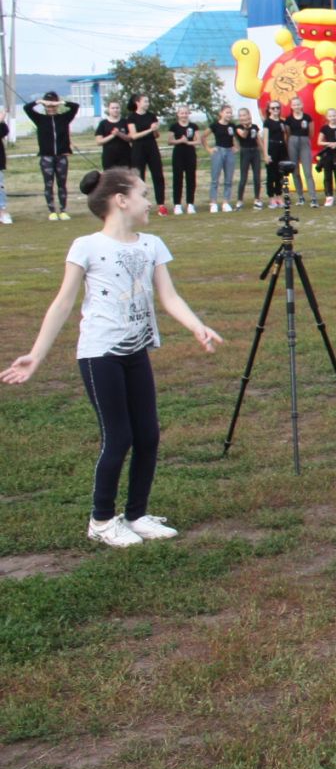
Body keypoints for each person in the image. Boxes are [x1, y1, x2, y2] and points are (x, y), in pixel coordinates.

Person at [2, 168, 222, 547]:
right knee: (118, 437)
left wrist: (196, 326)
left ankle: (136, 515)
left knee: (148, 435)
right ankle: (102, 521)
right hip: (99, 355)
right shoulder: (86, 246)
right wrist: (35, 356)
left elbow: (169, 297)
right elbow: (63, 303)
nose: (149, 201)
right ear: (121, 200)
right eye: (143, 194)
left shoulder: (151, 244)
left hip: (136, 351)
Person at [24, 92, 80, 220]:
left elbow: (75, 106)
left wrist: (60, 103)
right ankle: (52, 211)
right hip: (46, 156)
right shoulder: (39, 119)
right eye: (49, 105)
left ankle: (63, 210)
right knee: (48, 184)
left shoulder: (64, 118)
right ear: (45, 106)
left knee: (62, 184)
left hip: (61, 156)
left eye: (53, 105)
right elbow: (27, 108)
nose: (51, 108)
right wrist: (39, 102)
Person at [124, 94, 167, 213]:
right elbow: (133, 136)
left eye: (148, 101)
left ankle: (161, 205)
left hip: (152, 146)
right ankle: (140, 205)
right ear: (137, 102)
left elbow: (156, 135)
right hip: (138, 148)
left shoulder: (152, 116)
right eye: (145, 101)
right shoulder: (131, 118)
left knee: (158, 175)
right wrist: (149, 130)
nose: (147, 104)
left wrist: (155, 129)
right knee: (139, 178)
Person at [166, 105, 201, 214]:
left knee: (191, 178)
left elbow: (198, 141)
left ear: (188, 114)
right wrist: (180, 141)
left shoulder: (193, 126)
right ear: (178, 114)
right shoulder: (174, 126)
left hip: (190, 153)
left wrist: (188, 142)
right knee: (178, 179)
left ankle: (190, 204)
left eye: (186, 113)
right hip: (178, 154)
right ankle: (177, 204)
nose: (184, 115)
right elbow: (170, 141)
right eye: (182, 113)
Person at [284, 98, 316, 208]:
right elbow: (287, 133)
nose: (296, 106)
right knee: (295, 171)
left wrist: (305, 140)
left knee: (308, 172)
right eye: (294, 105)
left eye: (298, 104)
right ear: (291, 106)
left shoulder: (307, 118)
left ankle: (313, 198)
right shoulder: (288, 119)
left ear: (301, 105)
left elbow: (311, 133)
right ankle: (301, 197)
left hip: (304, 142)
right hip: (292, 142)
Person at [206, 104, 238, 211]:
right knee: (215, 179)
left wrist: (235, 147)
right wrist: (209, 149)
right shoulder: (215, 125)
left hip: (229, 152)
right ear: (221, 113)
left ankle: (225, 202)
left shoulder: (232, 126)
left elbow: (234, 137)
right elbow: (203, 137)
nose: (229, 114)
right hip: (218, 151)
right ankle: (213, 203)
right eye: (227, 112)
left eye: (230, 112)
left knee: (228, 179)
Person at [234, 108, 264, 208]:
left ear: (249, 115)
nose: (243, 117)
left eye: (244, 115)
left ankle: (257, 199)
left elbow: (258, 140)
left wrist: (264, 153)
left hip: (255, 152)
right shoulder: (238, 127)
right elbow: (243, 135)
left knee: (257, 177)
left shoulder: (255, 127)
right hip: (245, 151)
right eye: (241, 116)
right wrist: (247, 127)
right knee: (244, 177)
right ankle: (239, 200)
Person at [263, 101, 290, 208]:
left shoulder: (282, 122)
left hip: (281, 148)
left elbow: (285, 136)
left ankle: (279, 196)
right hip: (271, 148)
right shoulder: (267, 122)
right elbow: (265, 138)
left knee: (280, 175)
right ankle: (271, 198)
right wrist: (266, 154)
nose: (275, 110)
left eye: (277, 108)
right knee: (271, 175)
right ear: (269, 110)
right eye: (273, 108)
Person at [317, 108, 336, 206]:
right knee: (327, 176)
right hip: (328, 154)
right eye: (330, 116)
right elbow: (319, 142)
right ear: (327, 117)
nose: (332, 118)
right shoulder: (324, 128)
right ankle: (329, 197)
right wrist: (329, 144)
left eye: (334, 115)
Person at [95, 99, 132, 171]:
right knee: (110, 178)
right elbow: (99, 142)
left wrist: (119, 134)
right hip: (109, 156)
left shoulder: (125, 122)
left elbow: (130, 138)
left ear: (120, 109)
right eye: (113, 108)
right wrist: (112, 135)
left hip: (125, 155)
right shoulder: (103, 123)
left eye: (117, 108)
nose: (115, 110)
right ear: (108, 109)